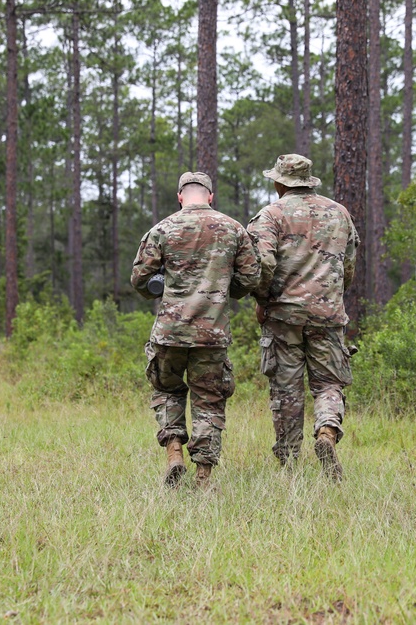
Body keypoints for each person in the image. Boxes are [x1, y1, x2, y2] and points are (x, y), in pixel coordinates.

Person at [131, 172, 260, 489]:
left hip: (169, 333)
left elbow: (139, 279)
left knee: (167, 391)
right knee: (209, 401)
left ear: (180, 196)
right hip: (212, 335)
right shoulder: (234, 230)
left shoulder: (162, 229)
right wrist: (226, 291)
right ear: (210, 196)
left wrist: (158, 290)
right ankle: (203, 477)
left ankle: (174, 452)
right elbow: (252, 277)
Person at [247, 154, 359, 479]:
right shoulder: (339, 213)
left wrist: (262, 299)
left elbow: (262, 264)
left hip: (283, 317)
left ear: (280, 182)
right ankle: (326, 430)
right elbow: (348, 266)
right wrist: (332, 295)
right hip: (328, 315)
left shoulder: (270, 215)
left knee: (287, 390)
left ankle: (290, 463)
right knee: (329, 384)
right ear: (308, 180)